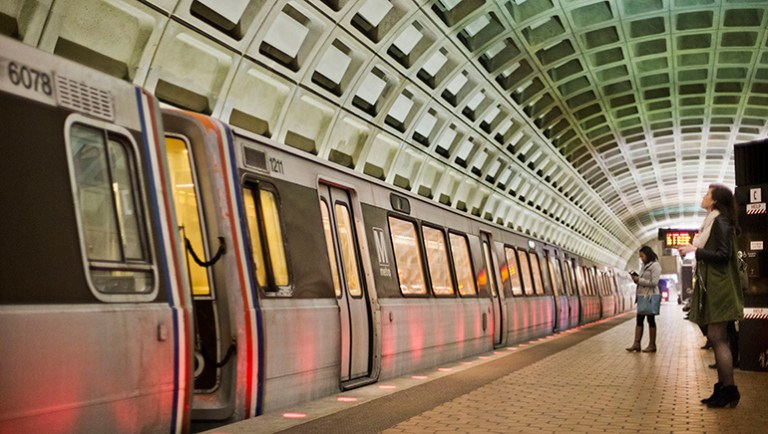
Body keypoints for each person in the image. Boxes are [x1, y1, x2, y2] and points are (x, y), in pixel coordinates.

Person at [678, 184, 744, 408]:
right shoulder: (711, 222)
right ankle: (722, 387)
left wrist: (694, 251)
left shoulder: (721, 222)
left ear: (715, 201)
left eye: (707, 194)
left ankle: (730, 390)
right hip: (715, 286)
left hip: (721, 287)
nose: (704, 196)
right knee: (716, 338)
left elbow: (724, 255)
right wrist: (693, 249)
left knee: (718, 337)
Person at [625, 246, 662, 353]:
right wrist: (636, 279)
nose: (641, 258)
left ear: (648, 254)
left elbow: (654, 283)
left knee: (651, 320)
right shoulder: (644, 266)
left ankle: (652, 345)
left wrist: (639, 280)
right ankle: (636, 344)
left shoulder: (655, 266)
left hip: (650, 296)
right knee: (639, 319)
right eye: (640, 257)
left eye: (642, 256)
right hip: (642, 296)